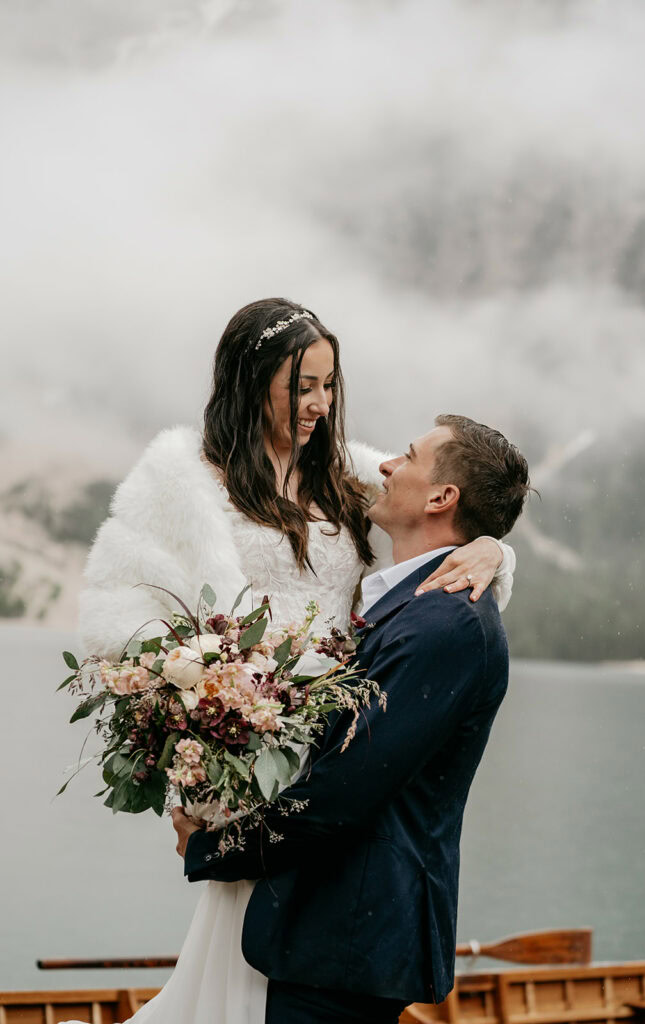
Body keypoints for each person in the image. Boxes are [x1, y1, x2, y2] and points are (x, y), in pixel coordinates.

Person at [73, 299, 516, 1024]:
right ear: (251, 384)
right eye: (302, 387)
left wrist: (493, 551)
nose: (320, 405)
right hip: (248, 769)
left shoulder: (350, 475)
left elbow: (448, 516)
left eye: (329, 384)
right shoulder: (183, 481)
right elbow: (117, 620)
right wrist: (205, 707)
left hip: (330, 776)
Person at [173, 413, 531, 1024]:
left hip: (347, 940)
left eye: (408, 456)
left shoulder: (445, 625)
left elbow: (342, 793)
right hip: (328, 934)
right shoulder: (413, 605)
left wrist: (212, 847)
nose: (386, 465)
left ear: (442, 498)